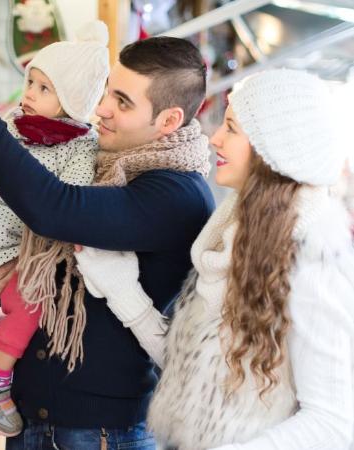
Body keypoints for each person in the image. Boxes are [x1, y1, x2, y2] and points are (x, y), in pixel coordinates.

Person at [0, 33, 215, 449]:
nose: (101, 108)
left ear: (169, 120)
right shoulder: (99, 161)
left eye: (123, 102)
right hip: (37, 417)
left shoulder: (175, 194)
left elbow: (54, 210)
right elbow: (56, 274)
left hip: (99, 431)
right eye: (107, 92)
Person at [75, 69, 354, 449]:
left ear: (273, 147)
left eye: (233, 128)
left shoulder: (313, 258)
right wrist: (121, 288)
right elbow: (192, 372)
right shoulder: (236, 235)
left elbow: (333, 422)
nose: (215, 138)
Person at [0, 22, 110, 437]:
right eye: (31, 82)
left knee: (37, 300)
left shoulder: (83, 147)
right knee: (30, 302)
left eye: (44, 89)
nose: (28, 94)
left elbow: (70, 200)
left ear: (74, 101)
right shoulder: (7, 130)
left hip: (34, 254)